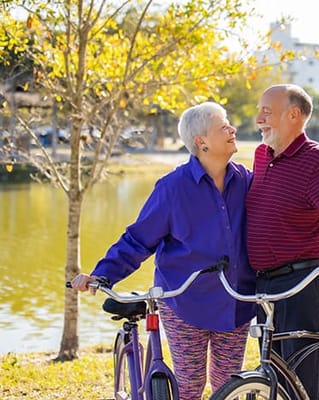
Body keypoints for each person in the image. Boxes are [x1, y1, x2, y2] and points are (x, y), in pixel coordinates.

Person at [70, 102, 255, 400]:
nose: (232, 129)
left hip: (235, 303)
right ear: (201, 141)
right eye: (224, 125)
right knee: (190, 388)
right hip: (185, 304)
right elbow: (138, 240)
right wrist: (101, 275)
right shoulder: (172, 188)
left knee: (228, 387)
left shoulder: (247, 181)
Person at [246, 83, 319, 399]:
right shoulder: (261, 154)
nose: (258, 118)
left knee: (300, 384)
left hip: (302, 284)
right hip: (265, 285)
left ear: (294, 115)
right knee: (273, 376)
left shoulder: (316, 160)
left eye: (266, 112)